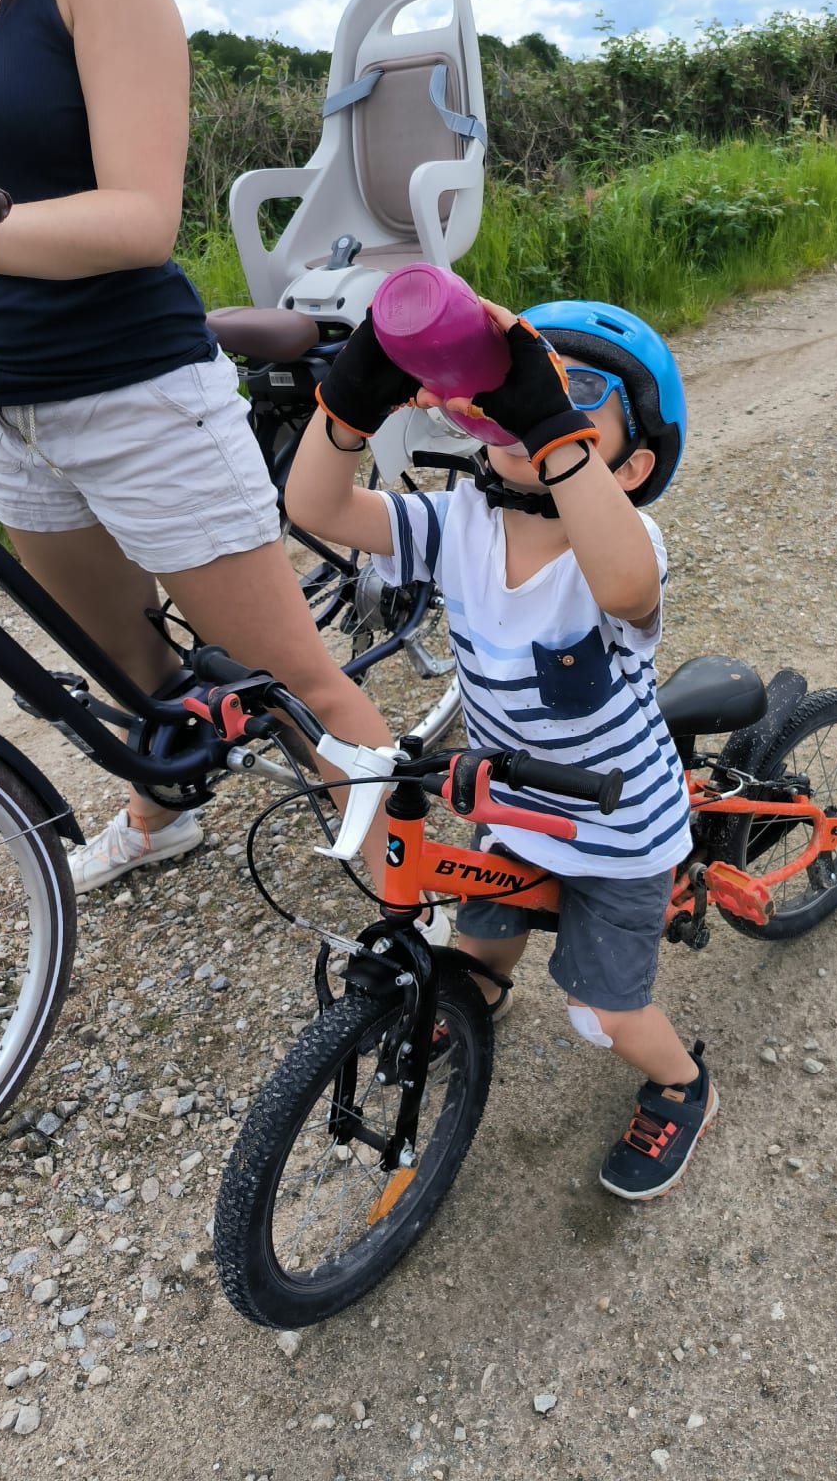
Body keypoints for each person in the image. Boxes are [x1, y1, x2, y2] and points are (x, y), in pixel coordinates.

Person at [0, 0, 410, 907]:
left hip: (138, 399)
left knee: (293, 687)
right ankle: (162, 811)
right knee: (132, 671)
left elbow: (140, 218)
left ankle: (419, 915)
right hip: (4, 409)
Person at [285, 293, 720, 1202]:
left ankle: (685, 1084)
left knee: (605, 1013)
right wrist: (353, 395)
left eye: (577, 392)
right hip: (511, 801)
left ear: (633, 464)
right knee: (479, 941)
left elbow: (626, 585)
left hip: (617, 828)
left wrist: (551, 429)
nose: (537, 402)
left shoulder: (625, 542)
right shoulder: (459, 523)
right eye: (527, 382)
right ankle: (475, 997)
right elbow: (314, 505)